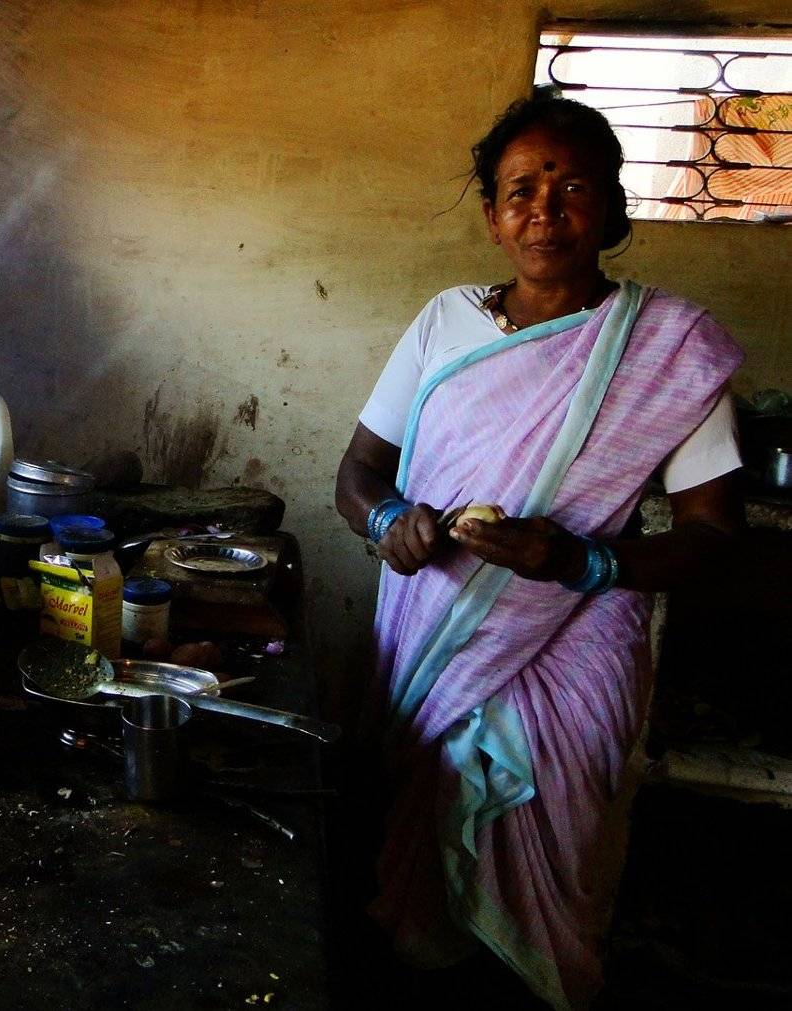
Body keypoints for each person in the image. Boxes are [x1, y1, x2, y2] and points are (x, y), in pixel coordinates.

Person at [334, 93, 743, 1009]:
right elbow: (357, 472)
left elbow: (715, 536)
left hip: (576, 644)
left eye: (572, 188)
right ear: (492, 215)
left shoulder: (670, 347)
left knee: (547, 858)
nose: (545, 211)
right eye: (521, 190)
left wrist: (582, 562)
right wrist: (388, 520)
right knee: (414, 875)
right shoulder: (444, 321)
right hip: (433, 633)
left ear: (611, 206)